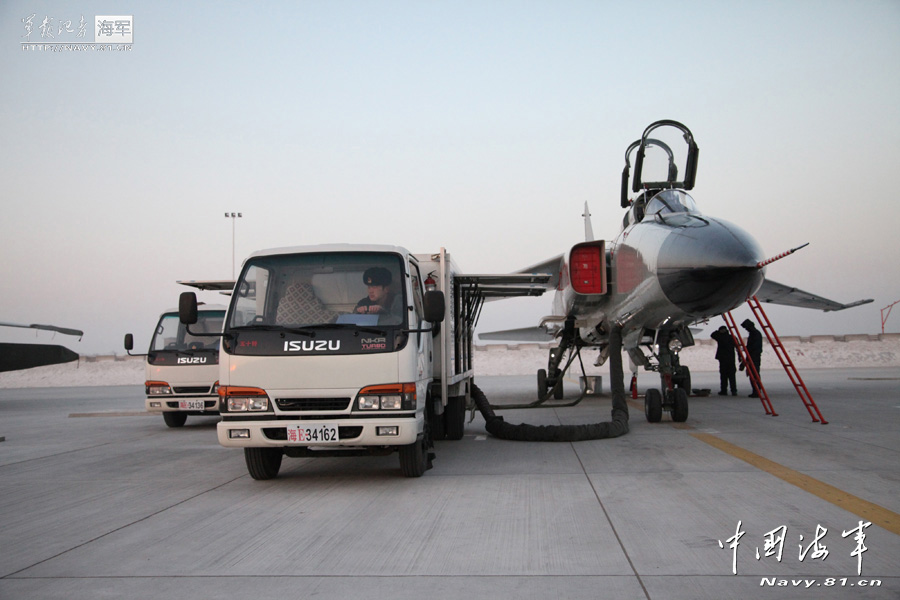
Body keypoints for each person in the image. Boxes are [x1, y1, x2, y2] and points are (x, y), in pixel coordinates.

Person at [711, 326, 737, 396]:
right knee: (732, 376)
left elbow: (712, 334)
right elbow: (737, 346)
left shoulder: (720, 337)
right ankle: (733, 390)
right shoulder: (732, 337)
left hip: (723, 359)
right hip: (731, 359)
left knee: (723, 376)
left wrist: (718, 332)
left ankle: (724, 390)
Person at [740, 319, 763, 398]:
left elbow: (754, 347)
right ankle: (756, 390)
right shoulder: (754, 334)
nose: (746, 329)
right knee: (752, 374)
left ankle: (757, 391)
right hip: (752, 356)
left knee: (754, 374)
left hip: (754, 357)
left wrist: (746, 348)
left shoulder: (755, 334)